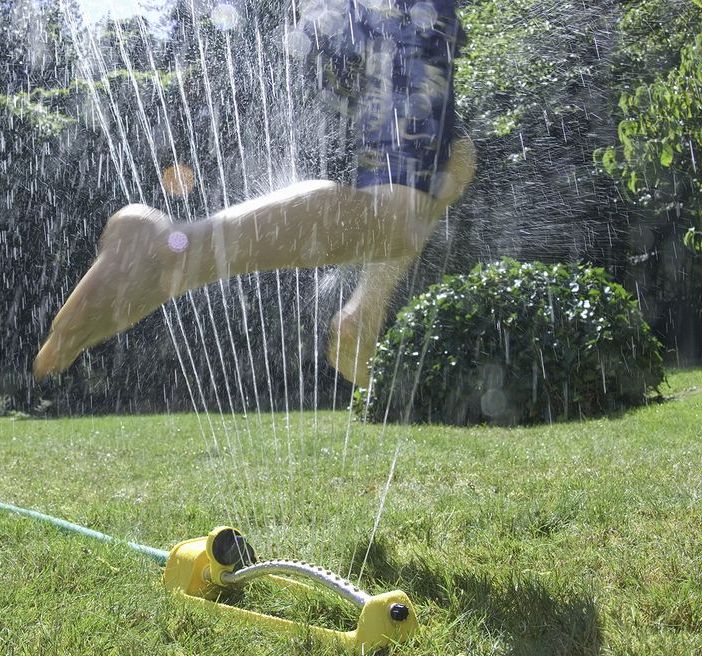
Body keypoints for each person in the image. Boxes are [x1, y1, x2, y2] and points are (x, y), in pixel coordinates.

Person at [33, 0, 475, 387]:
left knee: (456, 158)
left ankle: (364, 314)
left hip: (345, 19)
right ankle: (176, 252)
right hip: (401, 12)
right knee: (397, 220)